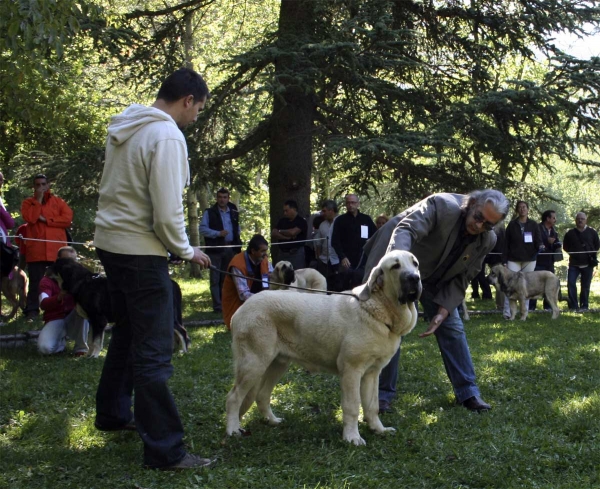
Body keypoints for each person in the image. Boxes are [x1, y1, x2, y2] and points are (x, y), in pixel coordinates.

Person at [93, 67, 214, 470]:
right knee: (155, 350)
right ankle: (165, 450)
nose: (196, 116)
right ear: (186, 101)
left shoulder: (128, 126)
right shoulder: (165, 135)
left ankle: (112, 413)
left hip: (112, 245)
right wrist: (185, 249)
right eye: (198, 108)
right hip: (141, 253)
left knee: (127, 331)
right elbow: (166, 210)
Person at [362, 190, 509, 413]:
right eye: (478, 217)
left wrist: (443, 310)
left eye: (488, 224)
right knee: (389, 327)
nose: (479, 226)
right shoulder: (442, 206)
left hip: (438, 277)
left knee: (453, 327)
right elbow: (406, 230)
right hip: (398, 262)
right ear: (471, 204)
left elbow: (464, 276)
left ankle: (468, 392)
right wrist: (397, 272)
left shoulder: (488, 240)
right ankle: (381, 396)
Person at [21, 174, 73, 322]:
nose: (40, 187)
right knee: (36, 281)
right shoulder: (28, 203)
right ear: (34, 187)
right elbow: (30, 218)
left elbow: (67, 219)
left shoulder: (58, 202)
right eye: (37, 185)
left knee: (60, 280)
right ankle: (32, 311)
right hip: (36, 249)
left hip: (56, 250)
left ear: (48, 185)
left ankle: (62, 307)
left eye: (43, 184)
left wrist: (47, 220)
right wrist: (37, 200)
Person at [37, 246, 89, 356]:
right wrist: (59, 297)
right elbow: (43, 304)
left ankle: (81, 349)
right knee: (44, 349)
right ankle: (60, 342)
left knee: (84, 309)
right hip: (55, 318)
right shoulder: (47, 280)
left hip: (74, 317)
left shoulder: (81, 275)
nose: (70, 264)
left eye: (73, 261)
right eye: (66, 261)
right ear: (58, 261)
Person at [199, 187, 242, 313]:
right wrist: (217, 233)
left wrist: (237, 240)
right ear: (216, 198)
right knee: (215, 278)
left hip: (231, 248)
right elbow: (202, 229)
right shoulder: (210, 212)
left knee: (227, 278)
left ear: (228, 198)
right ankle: (217, 306)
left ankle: (226, 303)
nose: (222, 200)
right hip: (215, 249)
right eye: (220, 197)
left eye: (224, 197)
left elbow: (237, 227)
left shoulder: (233, 210)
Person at [221, 234, 272, 329]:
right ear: (253, 251)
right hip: (238, 309)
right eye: (263, 251)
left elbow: (272, 277)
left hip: (258, 303)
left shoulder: (264, 260)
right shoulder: (237, 265)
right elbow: (243, 295)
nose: (266, 254)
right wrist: (266, 299)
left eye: (266, 251)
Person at [502, 200, 543, 318]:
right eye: (520, 207)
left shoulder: (534, 224)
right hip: (513, 259)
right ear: (517, 210)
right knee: (510, 286)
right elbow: (506, 244)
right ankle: (507, 313)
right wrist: (504, 260)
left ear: (528, 209)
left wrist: (540, 246)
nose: (522, 209)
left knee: (526, 287)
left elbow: (538, 240)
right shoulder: (511, 225)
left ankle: (524, 312)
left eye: (524, 207)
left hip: (529, 259)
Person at [331, 194, 377, 288]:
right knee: (344, 287)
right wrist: (342, 257)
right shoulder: (340, 220)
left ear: (358, 204)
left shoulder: (366, 219)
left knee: (361, 286)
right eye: (348, 203)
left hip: (363, 262)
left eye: (353, 202)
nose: (350, 205)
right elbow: (335, 241)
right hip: (346, 262)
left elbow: (375, 236)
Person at [563, 212, 599, 312]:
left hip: (588, 264)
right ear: (575, 220)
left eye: (582, 219)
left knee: (585, 286)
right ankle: (573, 306)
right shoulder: (570, 233)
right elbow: (565, 247)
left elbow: (597, 245)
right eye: (578, 219)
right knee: (571, 283)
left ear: (586, 220)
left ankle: (584, 306)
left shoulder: (592, 232)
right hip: (574, 264)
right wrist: (574, 254)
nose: (580, 220)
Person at [530, 209, 563, 310]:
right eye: (553, 218)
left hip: (549, 263)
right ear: (547, 218)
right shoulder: (538, 228)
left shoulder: (553, 231)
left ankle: (548, 307)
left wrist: (556, 244)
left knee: (550, 285)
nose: (555, 220)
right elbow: (534, 243)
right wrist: (546, 241)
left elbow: (554, 244)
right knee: (534, 285)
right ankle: (531, 308)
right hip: (539, 262)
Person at [271, 200, 307, 270]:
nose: (285, 213)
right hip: (282, 254)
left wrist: (280, 231)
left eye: (286, 211)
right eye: (284, 211)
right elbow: (274, 233)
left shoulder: (301, 221)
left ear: (294, 209)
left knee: (297, 274)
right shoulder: (282, 221)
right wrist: (286, 237)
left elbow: (292, 232)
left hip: (296, 254)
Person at [314, 200, 340, 290]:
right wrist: (318, 258)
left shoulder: (341, 222)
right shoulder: (322, 225)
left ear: (331, 211)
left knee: (338, 284)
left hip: (338, 260)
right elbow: (318, 243)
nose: (322, 213)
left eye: (324, 211)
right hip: (324, 261)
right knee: (325, 285)